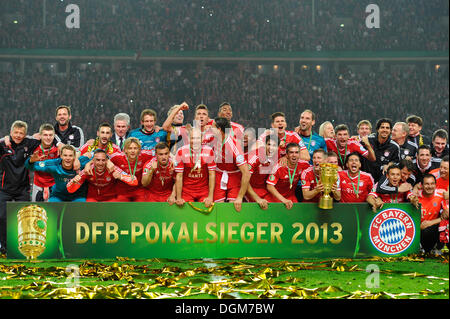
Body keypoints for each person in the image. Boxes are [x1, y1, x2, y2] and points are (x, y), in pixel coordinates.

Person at [0, 120, 41, 254]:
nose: (18, 135)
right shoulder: (2, 145)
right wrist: (4, 138)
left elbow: (47, 139)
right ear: (11, 132)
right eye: (15, 132)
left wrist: (41, 136)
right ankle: (4, 247)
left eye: (21, 133)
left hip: (23, 189)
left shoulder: (29, 143)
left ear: (25, 135)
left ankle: (22, 247)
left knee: (25, 220)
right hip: (4, 189)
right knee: (2, 218)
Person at [26, 145, 91, 202]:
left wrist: (89, 163)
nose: (68, 158)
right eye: (65, 155)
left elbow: (95, 157)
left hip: (77, 196)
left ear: (75, 157)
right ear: (61, 156)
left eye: (70, 156)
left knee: (80, 211)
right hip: (58, 196)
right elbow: (31, 166)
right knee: (51, 209)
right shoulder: (53, 164)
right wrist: (30, 161)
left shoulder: (81, 162)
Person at [67, 149, 137, 202]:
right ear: (93, 160)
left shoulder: (112, 168)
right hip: (92, 198)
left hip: (110, 198)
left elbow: (134, 181)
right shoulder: (87, 170)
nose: (100, 163)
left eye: (103, 160)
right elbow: (70, 190)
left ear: (107, 160)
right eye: (98, 160)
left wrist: (121, 176)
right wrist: (74, 182)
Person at [212, 117, 250, 212]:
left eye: (212, 127)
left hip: (234, 177)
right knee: (218, 208)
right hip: (219, 174)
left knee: (233, 208)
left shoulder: (233, 146)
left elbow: (246, 173)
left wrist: (240, 197)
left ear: (219, 129)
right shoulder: (214, 138)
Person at [174, 128, 215, 207]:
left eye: (197, 138)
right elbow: (179, 176)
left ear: (202, 138)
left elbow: (212, 175)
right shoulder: (181, 151)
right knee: (186, 213)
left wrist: (210, 197)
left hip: (203, 190)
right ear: (189, 138)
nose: (195, 141)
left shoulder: (209, 151)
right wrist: (178, 197)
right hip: (187, 191)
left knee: (205, 212)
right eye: (192, 138)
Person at [109, 137, 155, 202]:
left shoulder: (145, 155)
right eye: (130, 148)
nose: (133, 151)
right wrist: (108, 163)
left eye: (135, 148)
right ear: (125, 150)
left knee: (142, 207)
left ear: (139, 150)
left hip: (139, 190)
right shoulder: (117, 157)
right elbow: (102, 157)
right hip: (122, 191)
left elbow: (160, 151)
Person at [266, 143, 310, 209]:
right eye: (291, 152)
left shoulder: (304, 165)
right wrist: (284, 200)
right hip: (275, 197)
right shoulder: (279, 167)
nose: (294, 155)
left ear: (299, 154)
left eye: (296, 152)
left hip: (291, 197)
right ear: (286, 155)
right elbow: (269, 186)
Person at [415, 174, 449, 254]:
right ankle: (424, 248)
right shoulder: (416, 197)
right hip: (420, 230)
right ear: (422, 185)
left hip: (434, 228)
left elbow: (447, 215)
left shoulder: (442, 195)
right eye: (427, 184)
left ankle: (440, 247)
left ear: (435, 184)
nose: (430, 186)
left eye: (432, 183)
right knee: (425, 231)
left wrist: (430, 223)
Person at [246, 134, 279, 209]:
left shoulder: (277, 155)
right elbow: (244, 180)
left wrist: (284, 158)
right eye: (269, 144)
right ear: (264, 145)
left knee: (274, 208)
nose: (271, 148)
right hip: (249, 189)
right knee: (258, 208)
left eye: (274, 145)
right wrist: (257, 199)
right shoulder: (255, 156)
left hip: (264, 190)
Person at [364, 118, 401, 182]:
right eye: (382, 127)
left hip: (382, 180)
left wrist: (388, 165)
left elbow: (395, 162)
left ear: (390, 131)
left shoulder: (394, 147)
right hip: (364, 178)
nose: (385, 130)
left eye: (387, 128)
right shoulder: (367, 141)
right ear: (378, 129)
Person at [30, 124, 59, 202]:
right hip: (38, 185)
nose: (48, 138)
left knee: (54, 212)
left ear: (54, 136)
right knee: (36, 210)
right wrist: (6, 137)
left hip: (54, 185)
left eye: (50, 135)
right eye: (45, 135)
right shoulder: (33, 147)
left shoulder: (58, 149)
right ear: (40, 136)